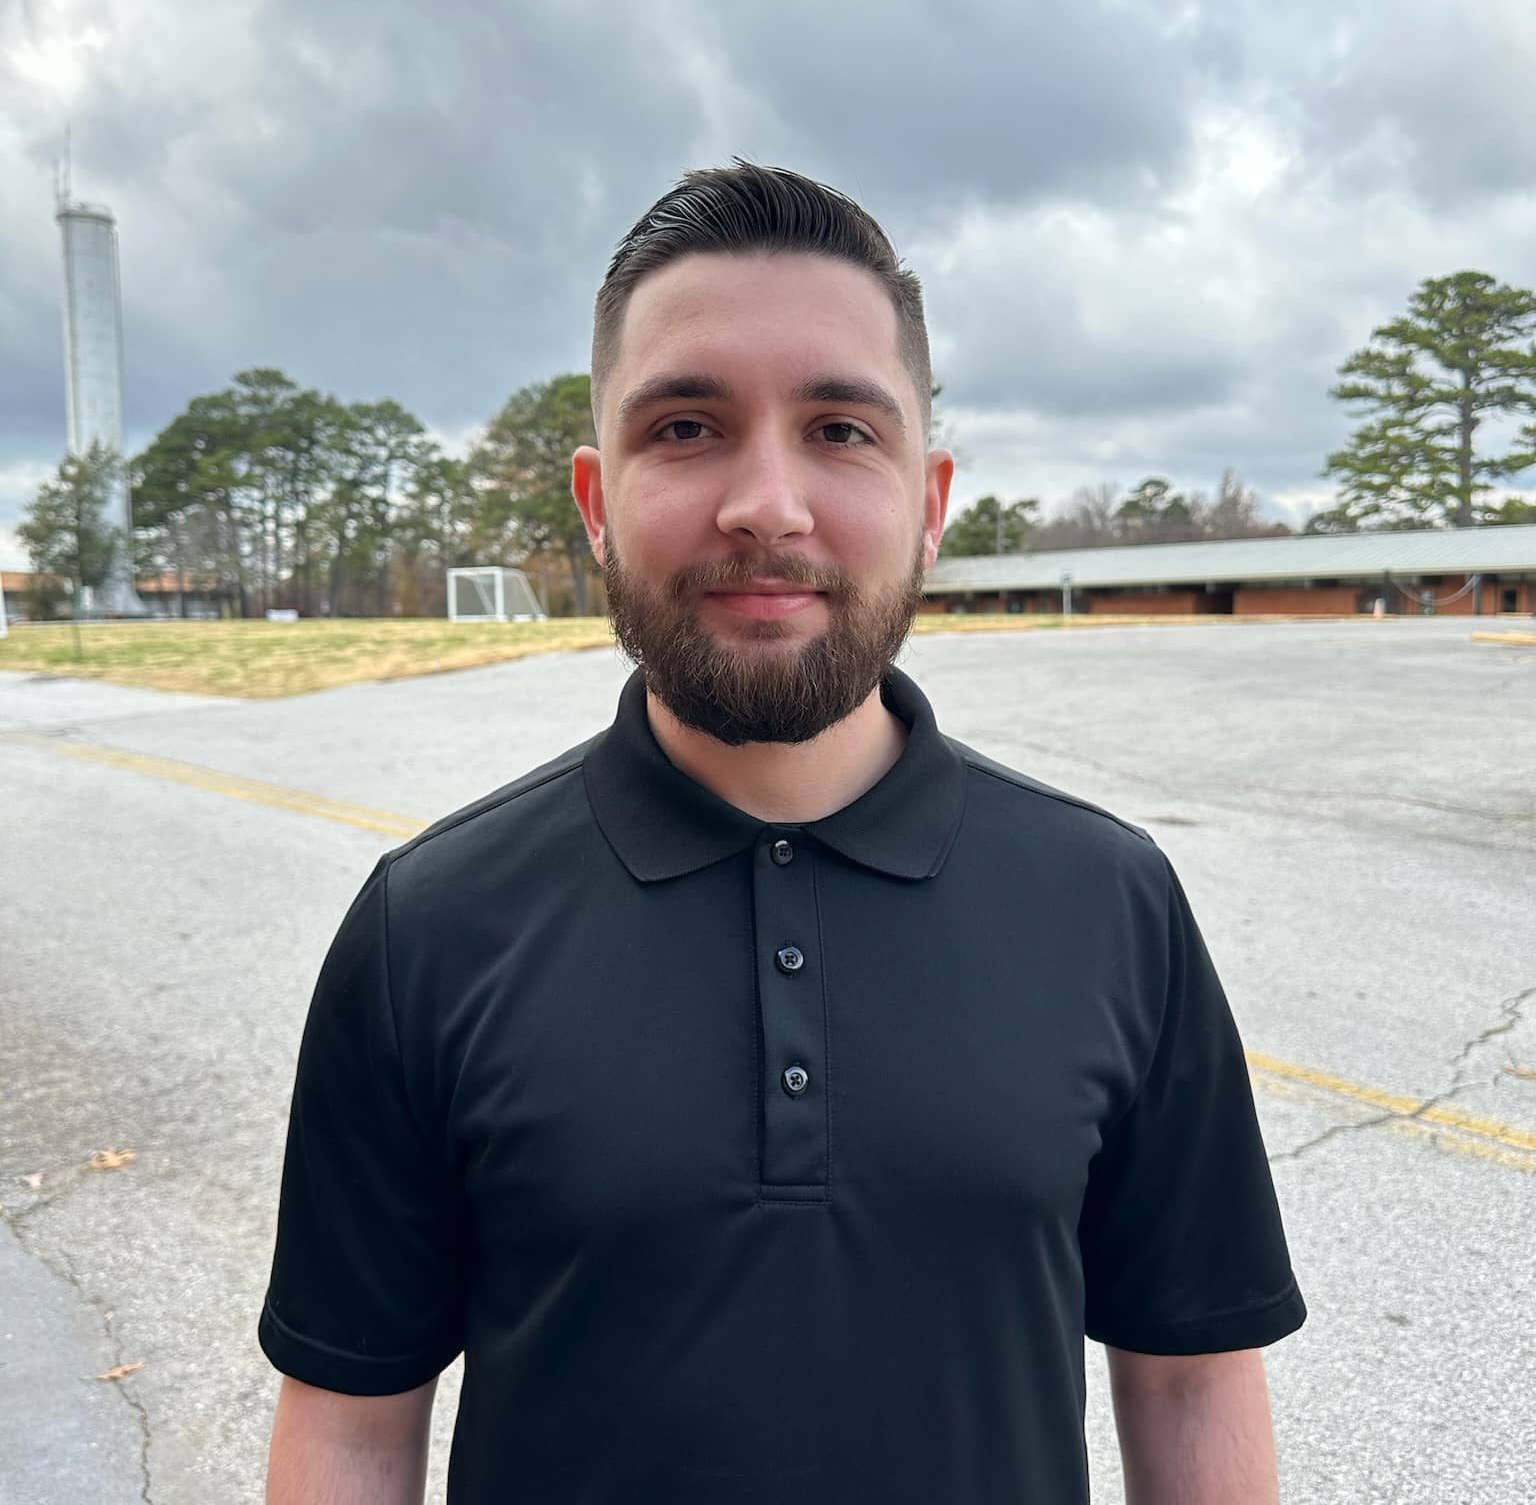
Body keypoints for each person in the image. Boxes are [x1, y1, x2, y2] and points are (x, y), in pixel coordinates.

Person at [259, 160, 1305, 1504]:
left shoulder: (1111, 901)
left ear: (929, 507)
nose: (765, 503)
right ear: (595, 501)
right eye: (687, 427)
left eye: (840, 430)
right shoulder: (430, 928)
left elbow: (1190, 1373)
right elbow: (352, 1420)